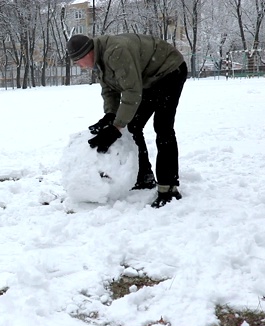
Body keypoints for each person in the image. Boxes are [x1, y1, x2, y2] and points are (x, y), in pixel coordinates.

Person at [66, 33, 187, 208]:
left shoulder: (116, 52)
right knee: (133, 126)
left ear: (86, 53)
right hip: (148, 79)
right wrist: (110, 116)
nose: (79, 66)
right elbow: (109, 91)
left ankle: (169, 188)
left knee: (163, 126)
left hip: (169, 70)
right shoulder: (99, 62)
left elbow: (131, 91)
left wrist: (116, 127)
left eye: (78, 61)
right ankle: (144, 177)